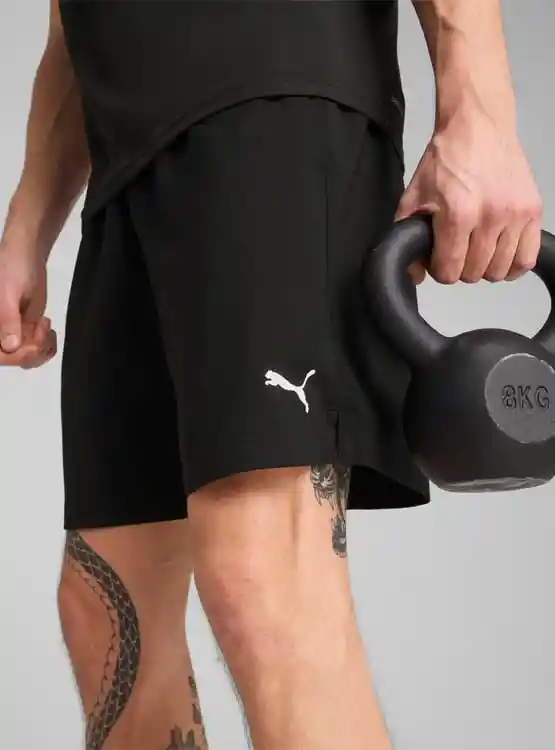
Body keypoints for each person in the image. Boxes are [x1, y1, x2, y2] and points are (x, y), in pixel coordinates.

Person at [0, 1, 543, 749]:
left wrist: (480, 112)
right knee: (105, 605)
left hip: (270, 93)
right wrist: (27, 226)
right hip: (131, 150)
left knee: (263, 574)